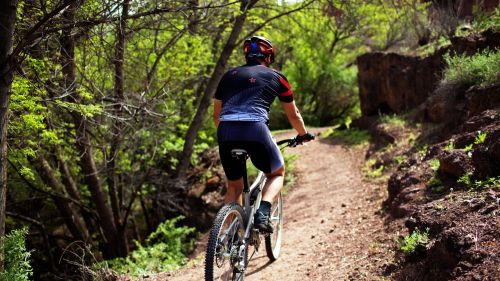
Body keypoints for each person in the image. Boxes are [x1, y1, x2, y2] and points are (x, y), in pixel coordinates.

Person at [213, 35, 314, 233]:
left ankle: (227, 237)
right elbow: (293, 115)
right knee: (277, 173)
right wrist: (303, 134)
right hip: (255, 129)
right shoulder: (277, 77)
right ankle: (263, 213)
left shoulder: (228, 76)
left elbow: (217, 116)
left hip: (225, 131)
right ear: (268, 56)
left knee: (234, 186)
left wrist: (231, 134)